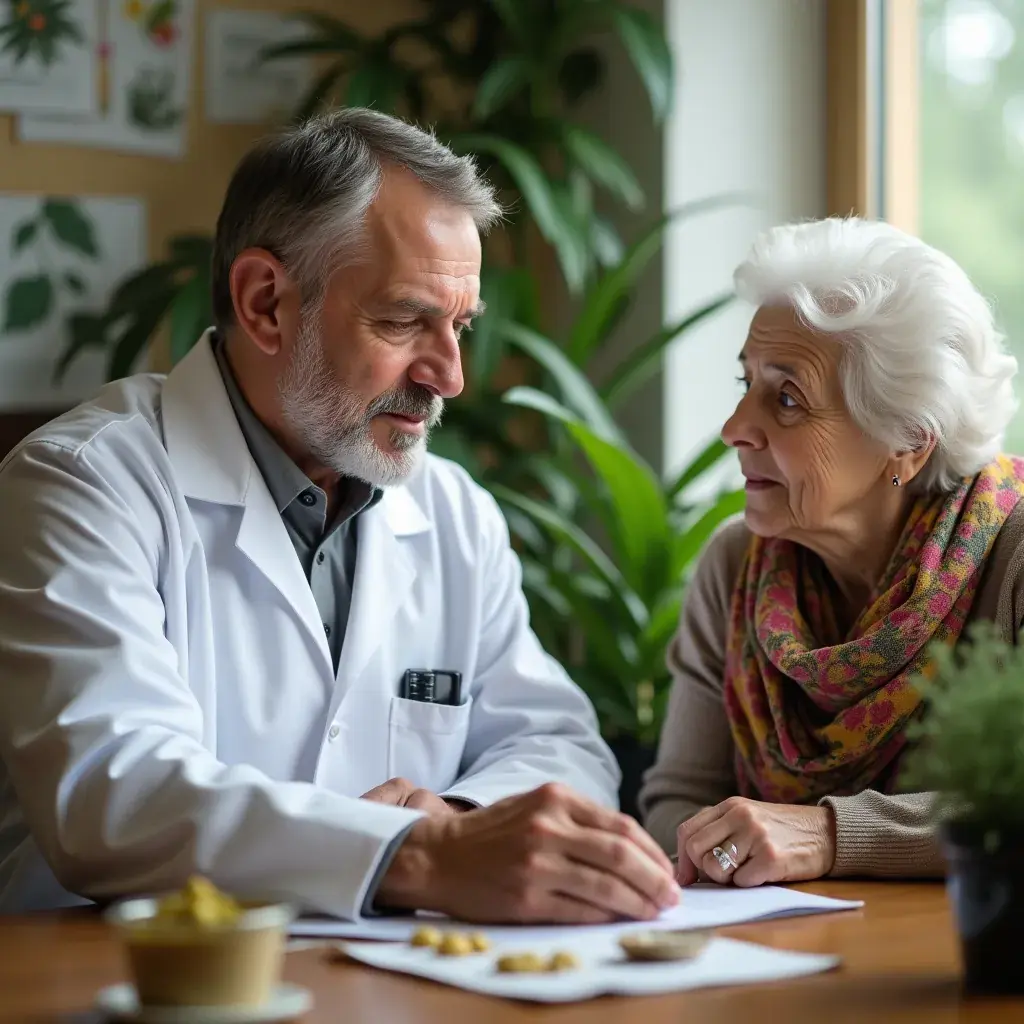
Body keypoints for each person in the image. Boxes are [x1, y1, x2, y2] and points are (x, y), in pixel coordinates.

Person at [0, 108, 678, 923]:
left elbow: (557, 744)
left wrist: (457, 825)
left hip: (387, 983)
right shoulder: (82, 485)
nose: (451, 376)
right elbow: (114, 791)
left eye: (459, 327)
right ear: (266, 303)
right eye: (403, 320)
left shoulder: (454, 513)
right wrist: (413, 856)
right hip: (126, 987)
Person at [640, 216, 1024, 887]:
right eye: (746, 385)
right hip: (779, 956)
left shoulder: (1014, 558)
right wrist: (723, 854)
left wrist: (829, 833)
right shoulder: (733, 569)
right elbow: (678, 802)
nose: (734, 429)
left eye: (787, 398)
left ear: (907, 440)